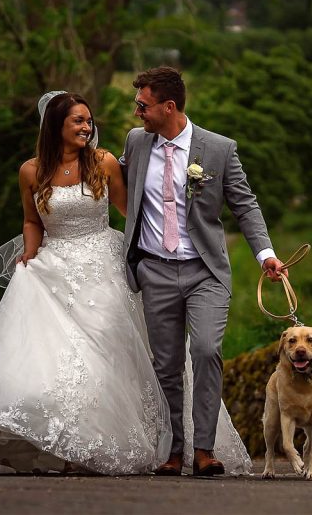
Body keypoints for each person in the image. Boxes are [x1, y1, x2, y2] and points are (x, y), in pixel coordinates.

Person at [0, 91, 250, 476]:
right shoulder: (30, 171)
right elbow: (32, 220)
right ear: (56, 127)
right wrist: (30, 252)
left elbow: (130, 212)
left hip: (103, 265)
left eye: (88, 120)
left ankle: (140, 443)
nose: (87, 127)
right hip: (52, 267)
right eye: (77, 121)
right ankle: (59, 443)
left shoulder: (104, 162)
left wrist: (172, 243)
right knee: (47, 358)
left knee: (103, 353)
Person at [120, 67, 286, 477]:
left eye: (143, 104)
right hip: (154, 270)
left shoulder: (219, 149)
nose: (137, 112)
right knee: (166, 364)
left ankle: (205, 450)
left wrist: (265, 254)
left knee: (207, 350)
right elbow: (110, 179)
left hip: (205, 271)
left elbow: (245, 206)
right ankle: (173, 451)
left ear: (168, 106)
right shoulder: (137, 143)